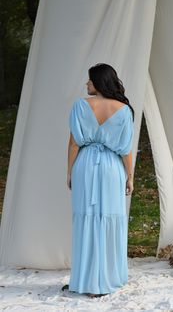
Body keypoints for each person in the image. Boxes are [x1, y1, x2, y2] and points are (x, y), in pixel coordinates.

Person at [62, 63, 135, 298]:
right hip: (112, 168)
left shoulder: (80, 106)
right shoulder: (123, 109)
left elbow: (74, 143)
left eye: (90, 80)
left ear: (99, 82)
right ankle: (109, 278)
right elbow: (125, 149)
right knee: (110, 218)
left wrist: (70, 171)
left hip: (86, 166)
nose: (86, 84)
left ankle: (86, 279)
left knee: (86, 218)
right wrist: (130, 176)